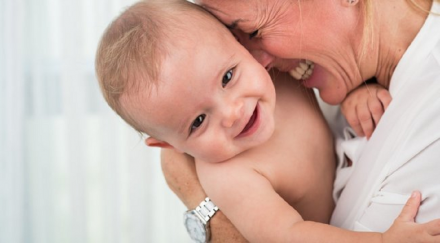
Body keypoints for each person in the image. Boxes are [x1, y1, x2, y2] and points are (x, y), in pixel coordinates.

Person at [95, 0, 440, 242]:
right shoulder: (229, 176)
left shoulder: (276, 81)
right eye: (198, 120)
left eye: (228, 76)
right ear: (167, 143)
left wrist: (358, 93)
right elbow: (289, 235)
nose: (232, 113)